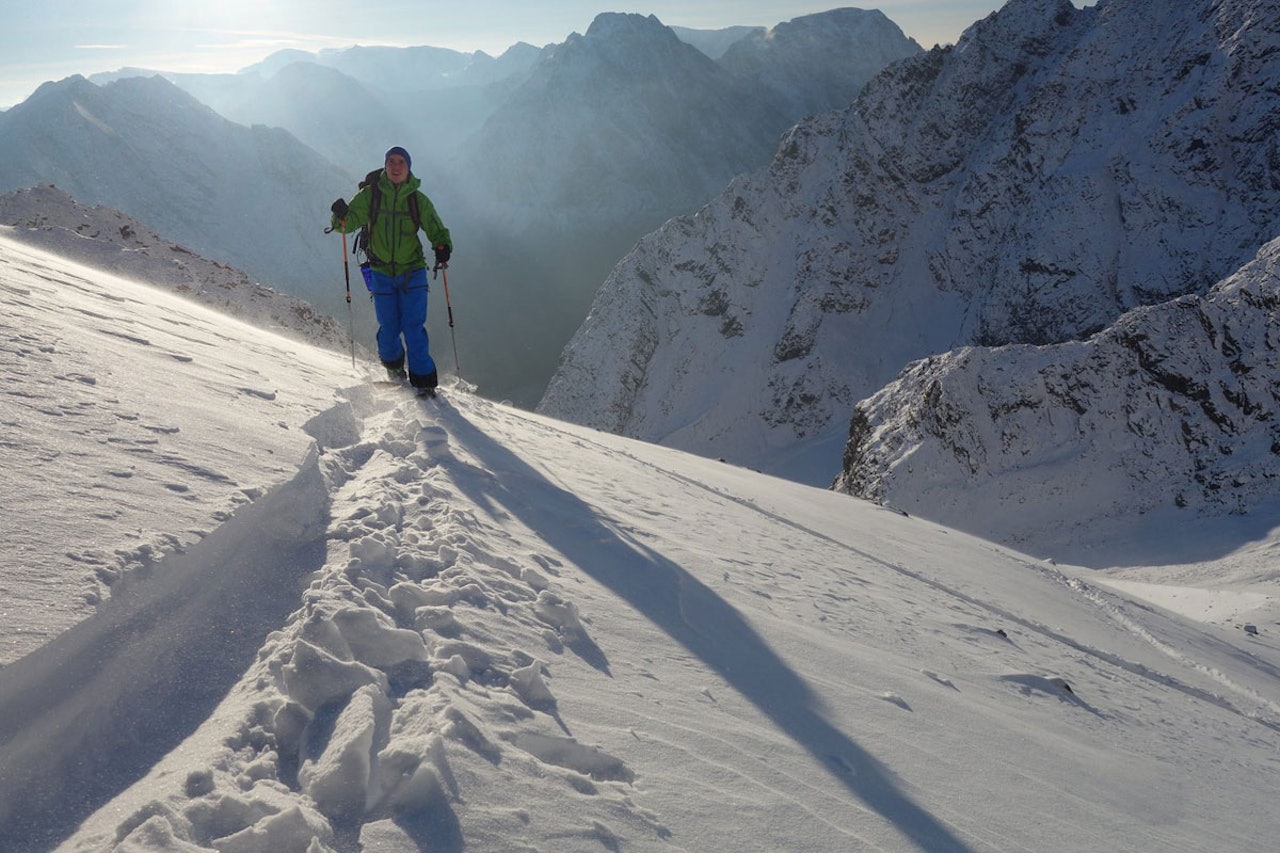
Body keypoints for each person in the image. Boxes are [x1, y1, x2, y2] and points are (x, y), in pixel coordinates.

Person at [330, 146, 453, 391]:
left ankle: (424, 381)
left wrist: (442, 246)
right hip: (382, 272)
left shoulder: (418, 200)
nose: (396, 167)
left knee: (413, 328)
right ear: (385, 166)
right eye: (391, 162)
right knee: (389, 330)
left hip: (413, 271)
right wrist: (339, 216)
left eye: (401, 163)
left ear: (408, 168)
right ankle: (394, 368)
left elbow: (436, 228)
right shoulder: (370, 195)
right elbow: (347, 225)